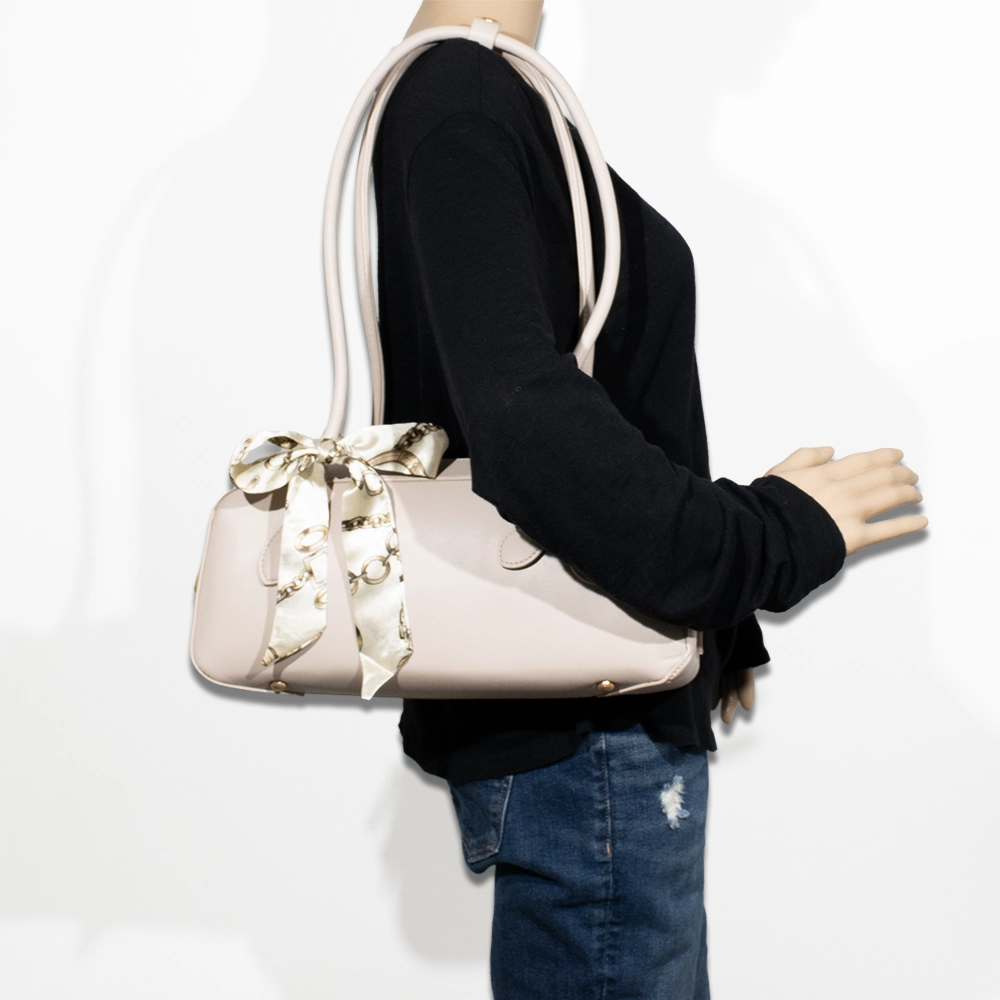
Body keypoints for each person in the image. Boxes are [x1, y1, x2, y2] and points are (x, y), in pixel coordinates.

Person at [371, 2, 928, 997]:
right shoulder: (462, 94)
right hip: (587, 734)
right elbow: (529, 426)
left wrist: (710, 622)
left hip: (602, 716)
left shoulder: (492, 95)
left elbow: (577, 406)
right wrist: (759, 542)